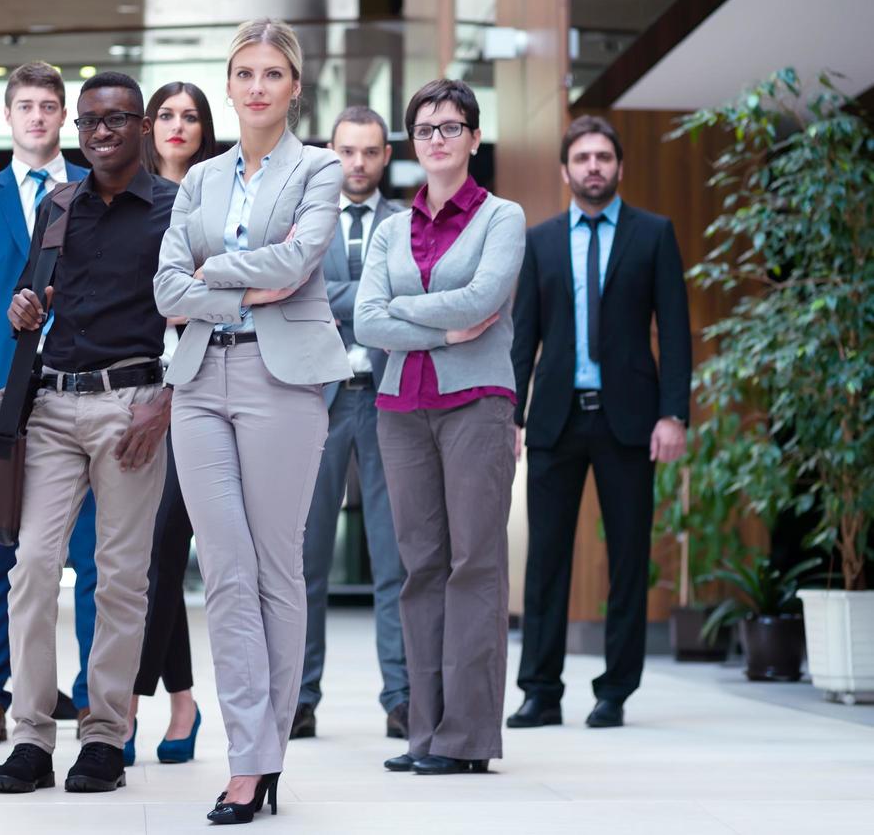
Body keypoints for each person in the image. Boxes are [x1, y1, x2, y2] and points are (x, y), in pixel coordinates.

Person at [155, 18, 351, 825]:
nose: (258, 86)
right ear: (229, 85)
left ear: (294, 86)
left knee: (276, 572)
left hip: (284, 381)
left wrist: (215, 272)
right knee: (225, 573)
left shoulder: (320, 168)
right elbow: (167, 290)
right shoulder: (197, 180)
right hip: (198, 379)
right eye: (244, 73)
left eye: (273, 73)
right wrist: (237, 286)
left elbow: (299, 261)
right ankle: (247, 761)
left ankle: (262, 760)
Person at [0, 72, 176, 796]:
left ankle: (103, 736)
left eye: (116, 120)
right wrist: (24, 309)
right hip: (52, 408)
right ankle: (31, 737)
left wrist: (165, 401)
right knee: (32, 567)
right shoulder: (59, 204)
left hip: (131, 408)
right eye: (90, 122)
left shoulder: (172, 208)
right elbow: (37, 300)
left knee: (122, 578)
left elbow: (199, 316)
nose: (100, 132)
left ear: (141, 127)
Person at [355, 78, 525, 777]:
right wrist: (448, 332)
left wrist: (406, 317)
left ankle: (467, 738)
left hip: (477, 405)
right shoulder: (389, 228)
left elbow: (485, 297)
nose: (437, 140)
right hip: (399, 408)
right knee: (418, 568)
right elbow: (365, 319)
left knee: (473, 565)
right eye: (424, 129)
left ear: (474, 138)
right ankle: (424, 732)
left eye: (450, 127)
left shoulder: (501, 217)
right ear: (410, 143)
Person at [507, 114, 691, 731]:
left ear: (619, 167)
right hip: (555, 421)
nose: (593, 167)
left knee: (629, 560)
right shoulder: (541, 241)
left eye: (603, 157)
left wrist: (673, 413)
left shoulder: (654, 234)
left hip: (631, 422)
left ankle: (615, 690)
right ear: (565, 171)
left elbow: (676, 331)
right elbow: (523, 336)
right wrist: (512, 415)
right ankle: (540, 691)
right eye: (582, 158)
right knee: (546, 562)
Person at [0, 62, 97, 745]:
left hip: (84, 387)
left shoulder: (96, 191)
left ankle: (95, 699)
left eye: (48, 106)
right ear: (6, 117)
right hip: (0, 398)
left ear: (63, 117)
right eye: (25, 106)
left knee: (92, 555)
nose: (37, 117)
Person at [291, 105, 409, 743]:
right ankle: (302, 700)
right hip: (318, 401)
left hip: (389, 399)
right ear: (328, 153)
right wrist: (373, 296)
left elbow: (411, 295)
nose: (357, 164)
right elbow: (297, 292)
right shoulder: (305, 221)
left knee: (397, 557)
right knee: (306, 559)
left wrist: (348, 299)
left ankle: (403, 698)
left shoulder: (407, 222)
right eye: (346, 152)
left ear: (385, 156)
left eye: (369, 152)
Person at [122, 82, 219, 767]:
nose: (177, 126)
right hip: (130, 390)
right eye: (167, 116)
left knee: (161, 548)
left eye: (191, 117)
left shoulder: (218, 197)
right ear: (149, 127)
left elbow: (209, 298)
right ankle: (182, 700)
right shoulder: (129, 197)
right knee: (149, 558)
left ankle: (124, 704)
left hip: (199, 387)